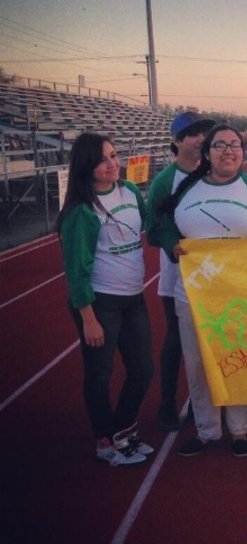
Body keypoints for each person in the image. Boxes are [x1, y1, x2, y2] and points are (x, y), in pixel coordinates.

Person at [154, 124, 247, 458]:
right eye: (219, 145)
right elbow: (158, 225)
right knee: (197, 362)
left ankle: (240, 428)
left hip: (242, 292)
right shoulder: (186, 188)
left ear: (242, 151)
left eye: (234, 145)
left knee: (238, 359)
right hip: (194, 291)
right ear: (207, 153)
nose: (228, 151)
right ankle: (207, 429)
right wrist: (170, 243)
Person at [56, 132, 155, 467]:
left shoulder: (129, 191)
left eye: (114, 155)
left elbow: (151, 226)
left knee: (143, 369)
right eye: (103, 160)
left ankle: (123, 432)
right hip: (100, 303)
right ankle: (104, 441)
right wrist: (88, 317)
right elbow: (76, 270)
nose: (113, 163)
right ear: (87, 167)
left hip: (133, 297)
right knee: (99, 375)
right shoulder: (81, 212)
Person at [145, 110, 216, 429]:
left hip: (216, 270)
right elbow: (153, 229)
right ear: (176, 141)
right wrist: (173, 244)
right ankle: (167, 405)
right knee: (176, 340)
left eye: (204, 131)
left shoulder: (215, 170)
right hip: (178, 272)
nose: (201, 138)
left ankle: (219, 399)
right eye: (193, 133)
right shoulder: (164, 181)